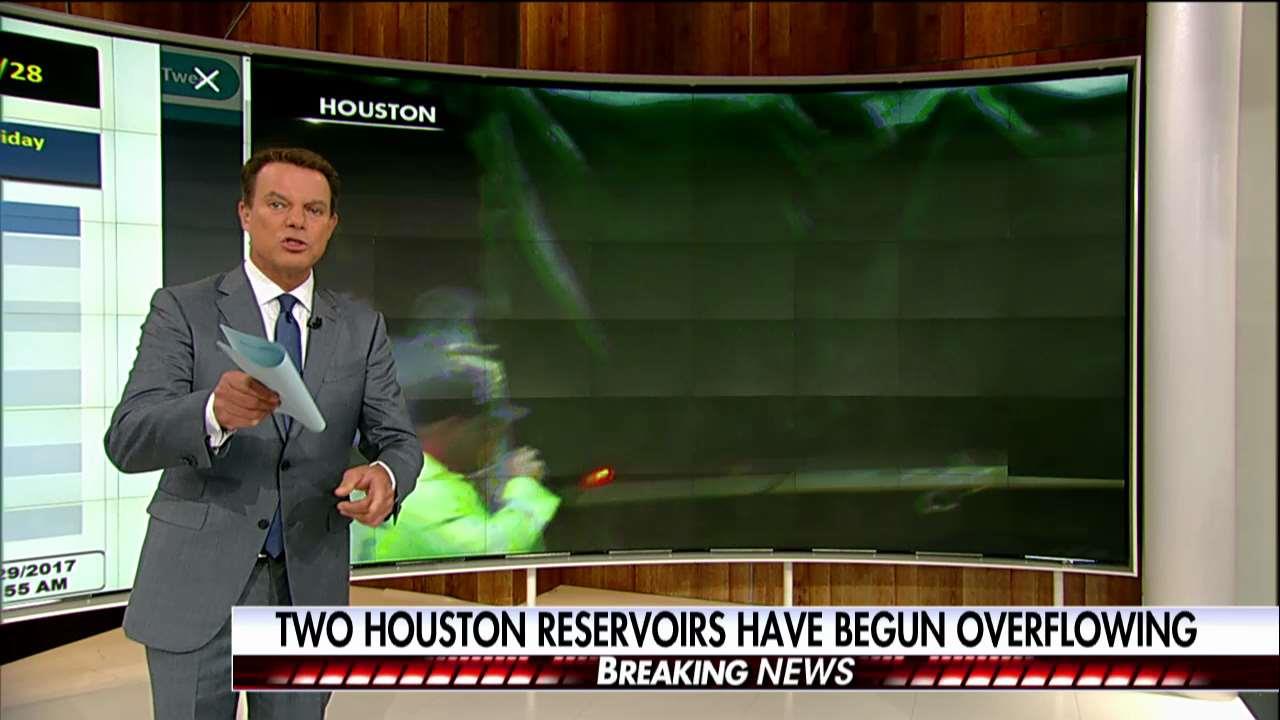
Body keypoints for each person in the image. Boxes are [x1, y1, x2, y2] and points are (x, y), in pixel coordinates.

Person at [104, 147, 423, 719]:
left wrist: (386, 475)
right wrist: (213, 413)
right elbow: (128, 437)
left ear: (331, 225)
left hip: (306, 587)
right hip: (196, 583)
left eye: (313, 210)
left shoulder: (361, 328)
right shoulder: (183, 309)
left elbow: (398, 440)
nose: (296, 221)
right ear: (245, 214)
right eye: (278, 205)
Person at [357, 341, 560, 561]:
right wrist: (524, 485)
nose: (491, 438)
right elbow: (489, 556)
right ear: (452, 427)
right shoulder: (420, 490)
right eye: (485, 427)